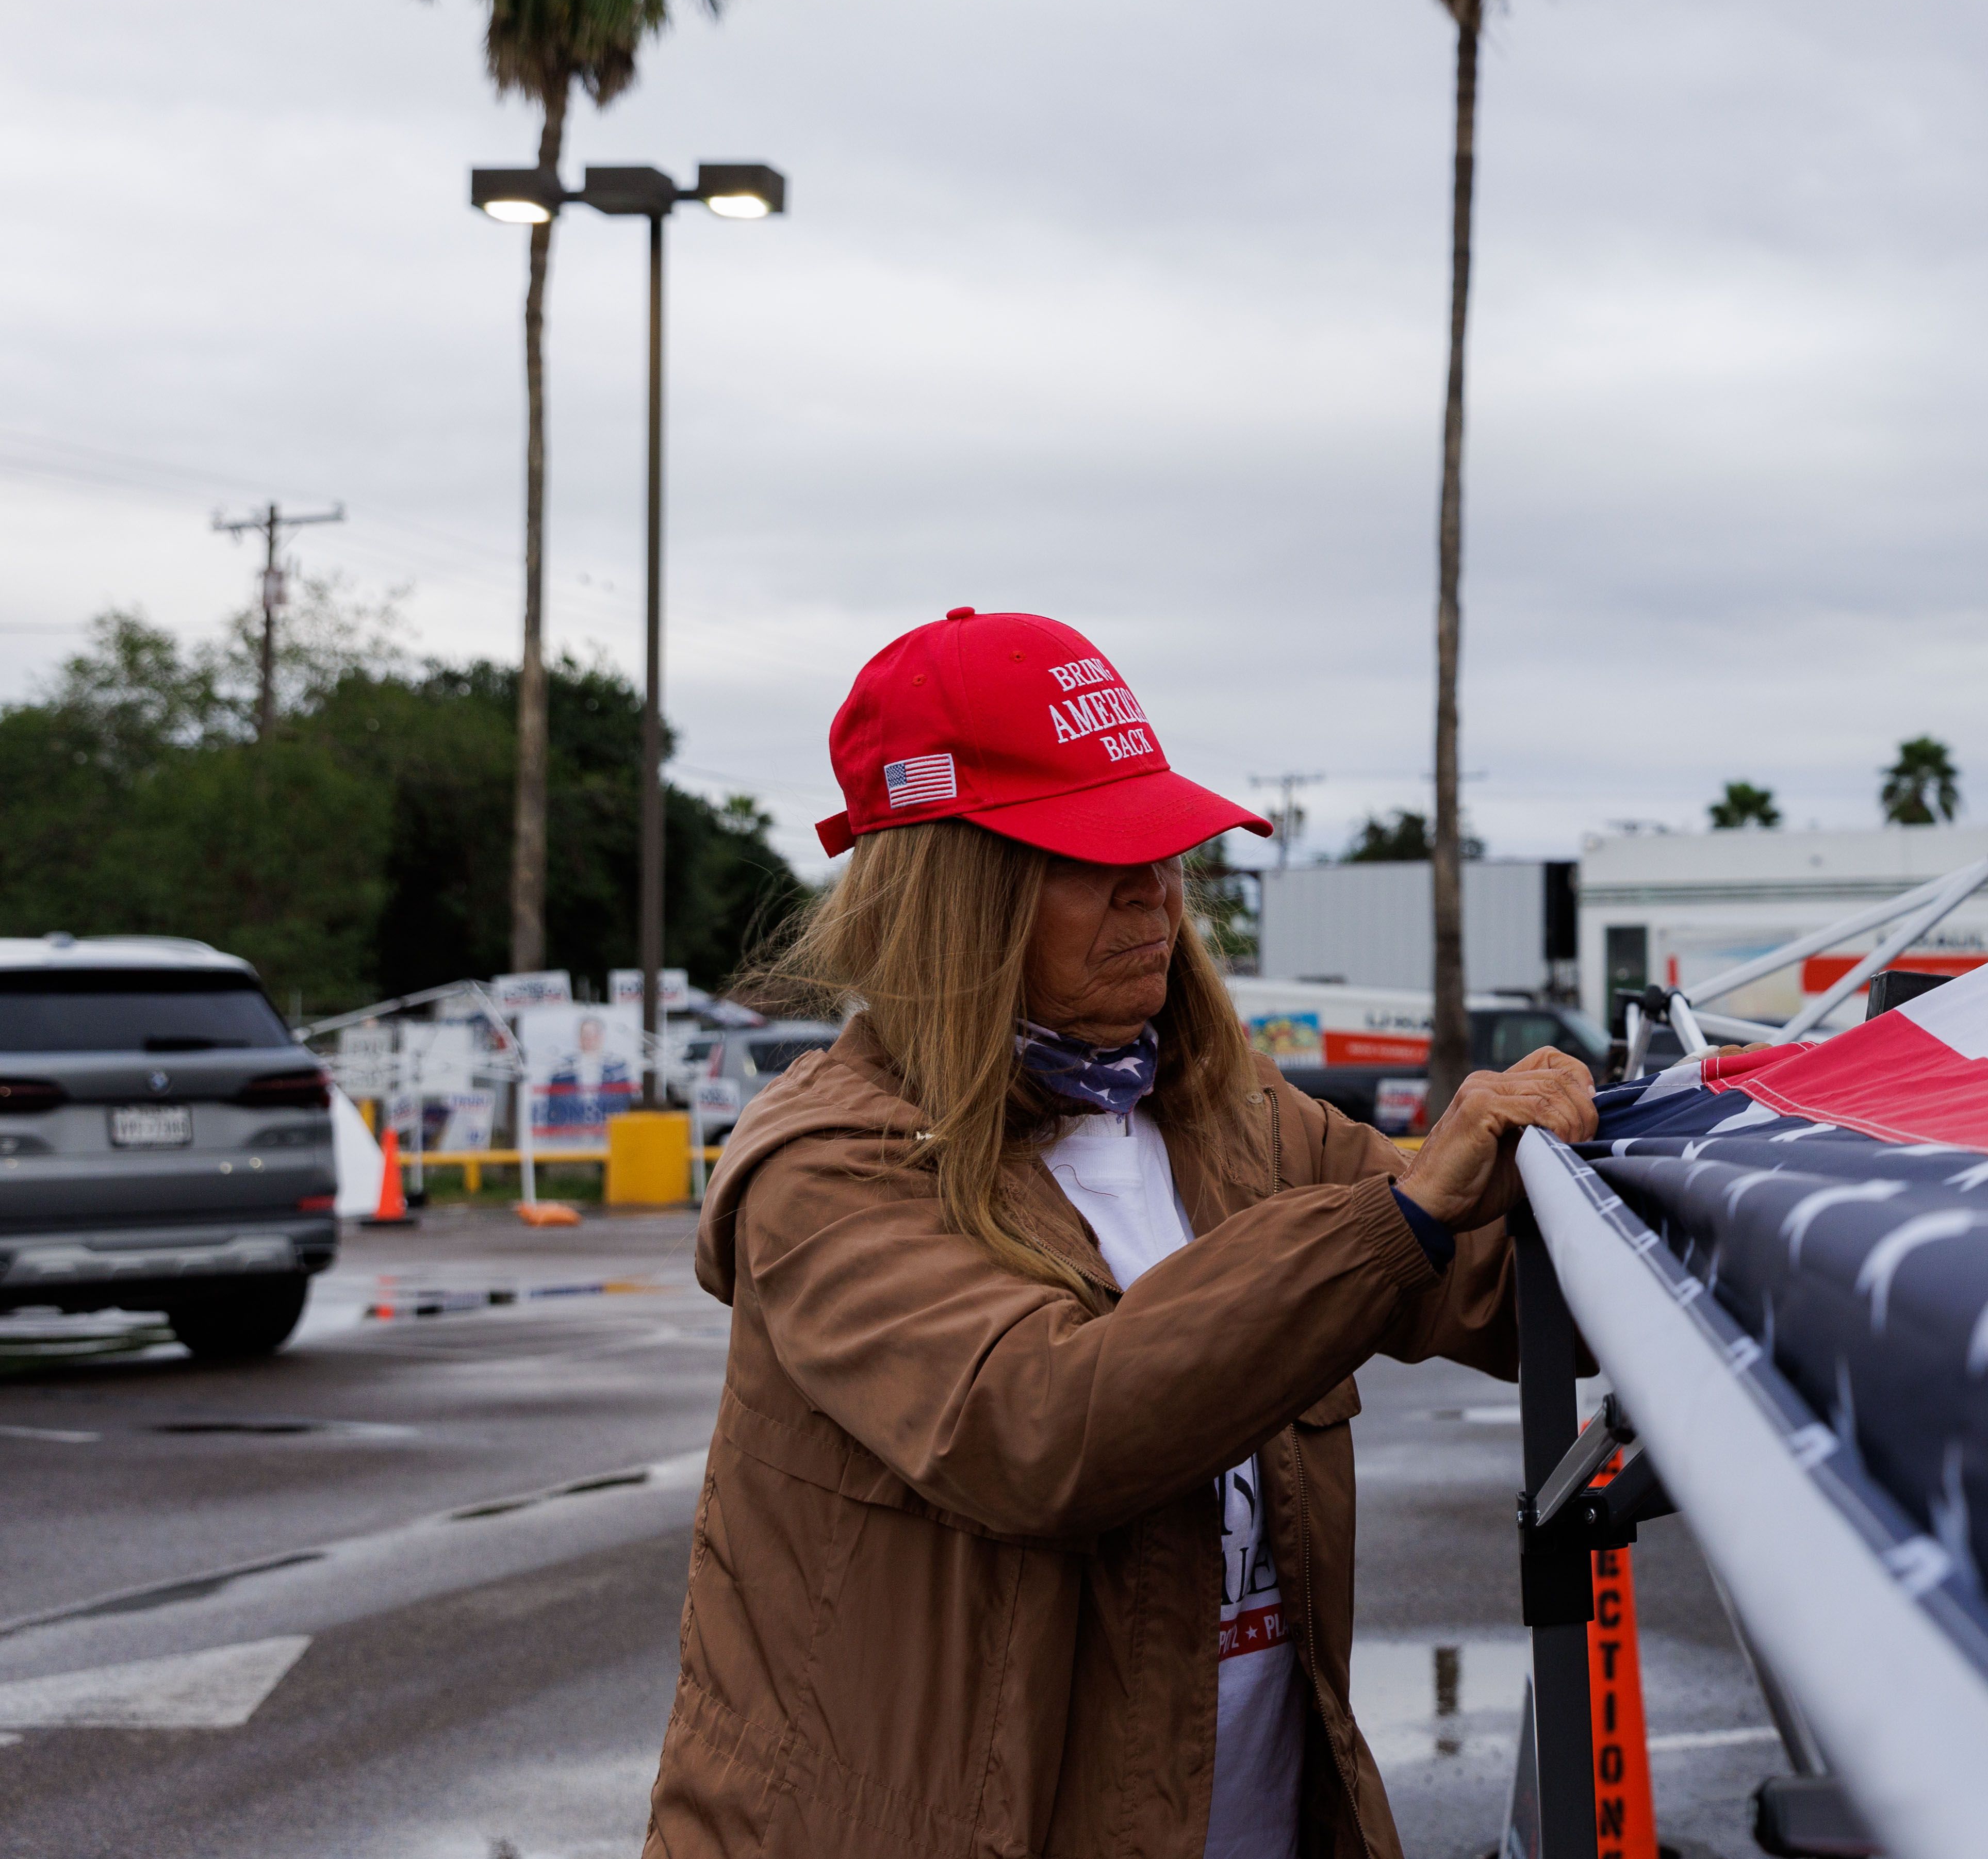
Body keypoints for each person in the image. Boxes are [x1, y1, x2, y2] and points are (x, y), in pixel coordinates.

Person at [642, 608, 1598, 1859]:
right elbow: (1039, 1428)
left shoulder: (1232, 1116)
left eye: (1162, 849)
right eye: (1097, 858)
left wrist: (1671, 1176)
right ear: (958, 893)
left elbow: (1501, 1293)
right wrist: (1402, 1215)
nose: (1155, 893)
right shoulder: (828, 1168)